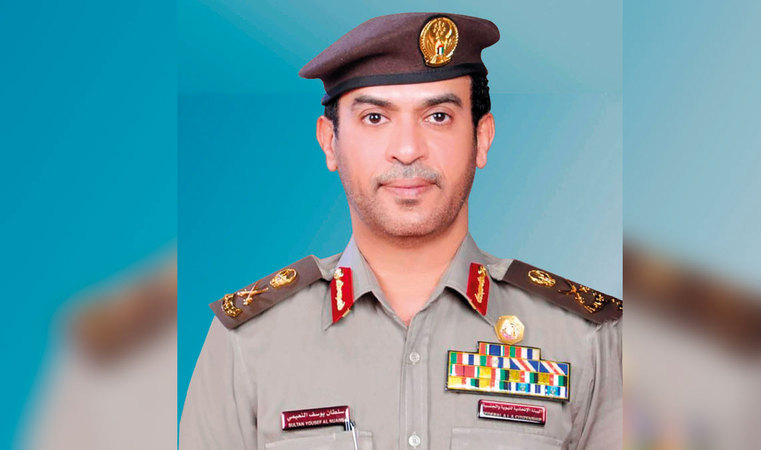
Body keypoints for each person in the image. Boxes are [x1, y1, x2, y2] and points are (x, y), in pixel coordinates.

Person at [180, 12, 621, 449]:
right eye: (375, 118)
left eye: (438, 116)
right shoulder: (248, 342)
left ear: (482, 138)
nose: (408, 149)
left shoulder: (585, 339)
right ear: (330, 142)